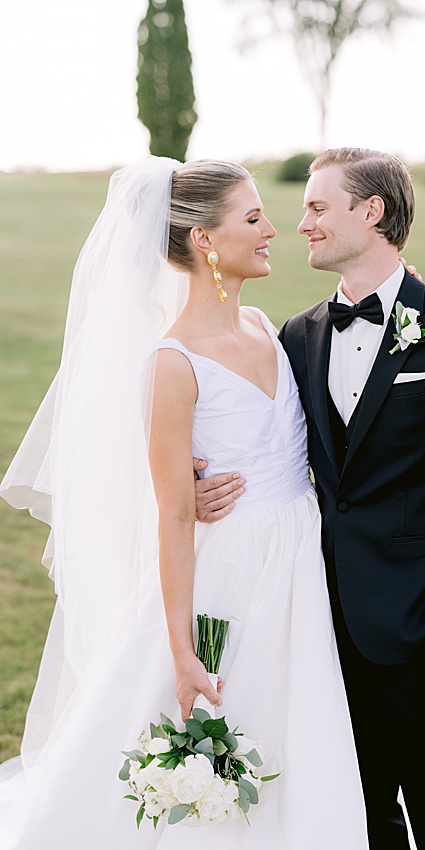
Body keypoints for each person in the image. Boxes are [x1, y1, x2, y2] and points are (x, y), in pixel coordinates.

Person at [0, 157, 368, 847]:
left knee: (300, 718)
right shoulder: (172, 362)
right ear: (205, 240)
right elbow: (172, 513)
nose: (271, 231)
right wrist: (181, 651)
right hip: (228, 570)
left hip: (298, 556)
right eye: (252, 218)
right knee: (230, 713)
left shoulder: (265, 326)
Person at [195, 148, 425, 850]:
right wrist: (194, 478)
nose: (299, 223)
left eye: (316, 207)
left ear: (372, 212)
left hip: (422, 627)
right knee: (355, 814)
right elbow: (257, 436)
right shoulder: (297, 337)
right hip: (316, 620)